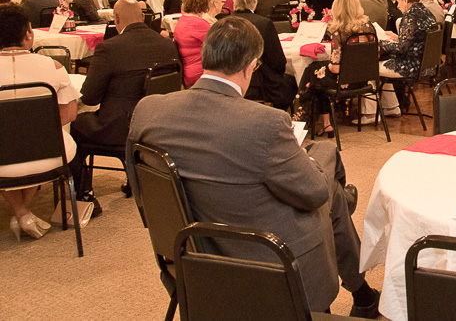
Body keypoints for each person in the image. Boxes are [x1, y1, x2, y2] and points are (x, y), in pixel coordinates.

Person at [127, 17, 380, 317]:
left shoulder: (148, 110)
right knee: (327, 181)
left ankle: (362, 289)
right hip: (268, 260)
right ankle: (359, 281)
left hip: (186, 254)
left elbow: (141, 193)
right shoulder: (265, 123)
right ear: (250, 66)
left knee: (319, 161)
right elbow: (313, 194)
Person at [69, 0, 180, 203]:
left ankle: (84, 193)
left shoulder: (110, 48)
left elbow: (91, 97)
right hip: (159, 123)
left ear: (116, 19)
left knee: (73, 126)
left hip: (121, 127)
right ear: (142, 16)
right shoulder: (167, 45)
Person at [0, 4, 80, 241]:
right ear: (28, 34)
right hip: (49, 155)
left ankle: (20, 212)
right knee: (47, 139)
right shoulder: (53, 66)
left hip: (1, 158)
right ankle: (23, 212)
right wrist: (37, 129)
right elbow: (70, 114)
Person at [295, 0, 377, 137]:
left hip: (345, 82)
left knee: (313, 72)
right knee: (317, 75)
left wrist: (324, 68)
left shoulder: (339, 31)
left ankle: (304, 115)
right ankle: (324, 122)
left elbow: (335, 68)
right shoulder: (369, 27)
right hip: (364, 79)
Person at [367, 0, 436, 124]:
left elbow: (402, 48)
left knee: (370, 68)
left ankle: (369, 114)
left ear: (405, 0)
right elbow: (417, 39)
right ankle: (391, 107)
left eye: (398, 2)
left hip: (410, 66)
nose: (398, 6)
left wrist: (380, 43)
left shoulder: (410, 16)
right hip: (425, 64)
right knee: (383, 66)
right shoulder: (425, 11)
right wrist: (397, 37)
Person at [230, 0, 295, 108]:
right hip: (260, 83)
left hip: (231, 81)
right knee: (291, 82)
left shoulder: (223, 23)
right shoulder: (263, 24)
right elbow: (278, 62)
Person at [173, 0, 215, 86]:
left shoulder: (182, 20)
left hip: (187, 72)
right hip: (199, 73)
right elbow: (217, 46)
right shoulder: (199, 24)